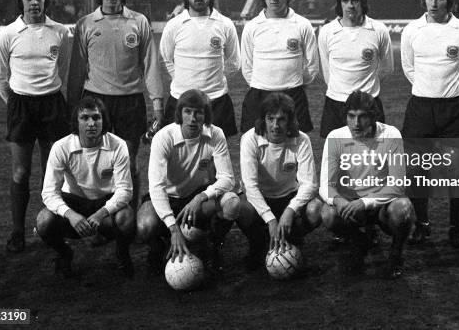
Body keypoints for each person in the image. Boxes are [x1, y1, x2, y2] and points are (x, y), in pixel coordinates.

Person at [67, 0, 164, 208]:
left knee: (129, 162)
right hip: (97, 102)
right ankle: (105, 220)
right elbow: (77, 71)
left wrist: (158, 104)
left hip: (130, 101)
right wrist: (72, 108)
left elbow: (150, 65)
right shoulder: (86, 24)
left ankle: (128, 217)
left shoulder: (138, 22)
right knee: (101, 164)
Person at [0, 0, 70, 253]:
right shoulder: (8, 34)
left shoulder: (59, 32)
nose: (35, 2)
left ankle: (50, 227)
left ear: (46, 0)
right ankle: (17, 232)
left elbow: (64, 68)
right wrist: (15, 103)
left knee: (52, 173)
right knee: (21, 171)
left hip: (52, 106)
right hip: (21, 107)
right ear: (21, 1)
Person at [400, 0, 459, 247]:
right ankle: (422, 224)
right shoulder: (411, 30)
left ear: (449, 1)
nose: (433, 3)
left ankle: (456, 228)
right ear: (424, 0)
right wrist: (428, 87)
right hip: (420, 108)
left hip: (453, 109)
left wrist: (453, 86)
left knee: (455, 172)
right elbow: (408, 68)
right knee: (418, 171)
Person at [136, 89, 239, 273]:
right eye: (188, 112)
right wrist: (173, 228)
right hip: (168, 197)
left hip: (197, 198)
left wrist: (200, 197)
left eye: (198, 112)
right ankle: (159, 245)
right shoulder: (163, 137)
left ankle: (213, 244)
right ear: (180, 114)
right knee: (145, 225)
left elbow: (228, 178)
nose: (193, 118)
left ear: (205, 115)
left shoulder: (216, 134)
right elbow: (156, 187)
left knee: (231, 202)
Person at [36, 96, 134, 278]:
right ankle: (64, 254)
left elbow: (125, 191)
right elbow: (49, 192)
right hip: (74, 203)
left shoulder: (118, 145)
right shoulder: (61, 147)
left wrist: (101, 213)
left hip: (104, 205)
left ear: (104, 120)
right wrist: (70, 214)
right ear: (76, 122)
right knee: (43, 221)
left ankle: (122, 253)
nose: (91, 123)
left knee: (126, 217)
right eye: (85, 118)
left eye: (96, 117)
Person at [319, 91, 414, 278]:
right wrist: (338, 201)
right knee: (328, 214)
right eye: (351, 116)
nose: (356, 123)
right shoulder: (335, 137)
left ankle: (396, 255)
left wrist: (365, 202)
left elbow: (397, 184)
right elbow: (325, 184)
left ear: (373, 117)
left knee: (403, 208)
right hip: (350, 204)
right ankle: (359, 241)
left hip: (382, 205)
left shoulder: (391, 134)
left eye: (362, 117)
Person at [237, 93, 322, 270]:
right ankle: (257, 245)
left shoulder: (301, 139)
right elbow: (250, 186)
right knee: (240, 207)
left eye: (282, 119)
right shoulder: (250, 139)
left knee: (316, 209)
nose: (276, 125)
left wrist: (290, 210)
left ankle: (291, 239)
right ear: (263, 120)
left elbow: (310, 184)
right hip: (260, 198)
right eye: (271, 119)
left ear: (290, 121)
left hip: (288, 197)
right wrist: (270, 220)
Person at [159, 0, 240, 137]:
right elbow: (165, 59)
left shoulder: (225, 24)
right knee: (179, 154)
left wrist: (215, 80)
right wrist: (180, 78)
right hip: (180, 100)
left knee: (214, 155)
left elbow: (234, 62)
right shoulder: (174, 25)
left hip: (216, 100)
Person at [240, 0, 319, 133]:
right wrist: (262, 85)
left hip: (293, 94)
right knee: (257, 144)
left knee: (296, 145)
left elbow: (312, 66)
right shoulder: (252, 27)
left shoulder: (302, 24)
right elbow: (247, 66)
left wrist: (294, 84)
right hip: (259, 95)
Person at [318, 0, 393, 138]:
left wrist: (366, 90)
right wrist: (341, 89)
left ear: (362, 2)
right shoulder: (327, 31)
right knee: (335, 156)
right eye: (345, 1)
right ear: (340, 3)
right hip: (335, 102)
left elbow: (387, 68)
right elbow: (326, 69)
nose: (350, 5)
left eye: (354, 0)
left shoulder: (379, 30)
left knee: (372, 156)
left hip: (369, 103)